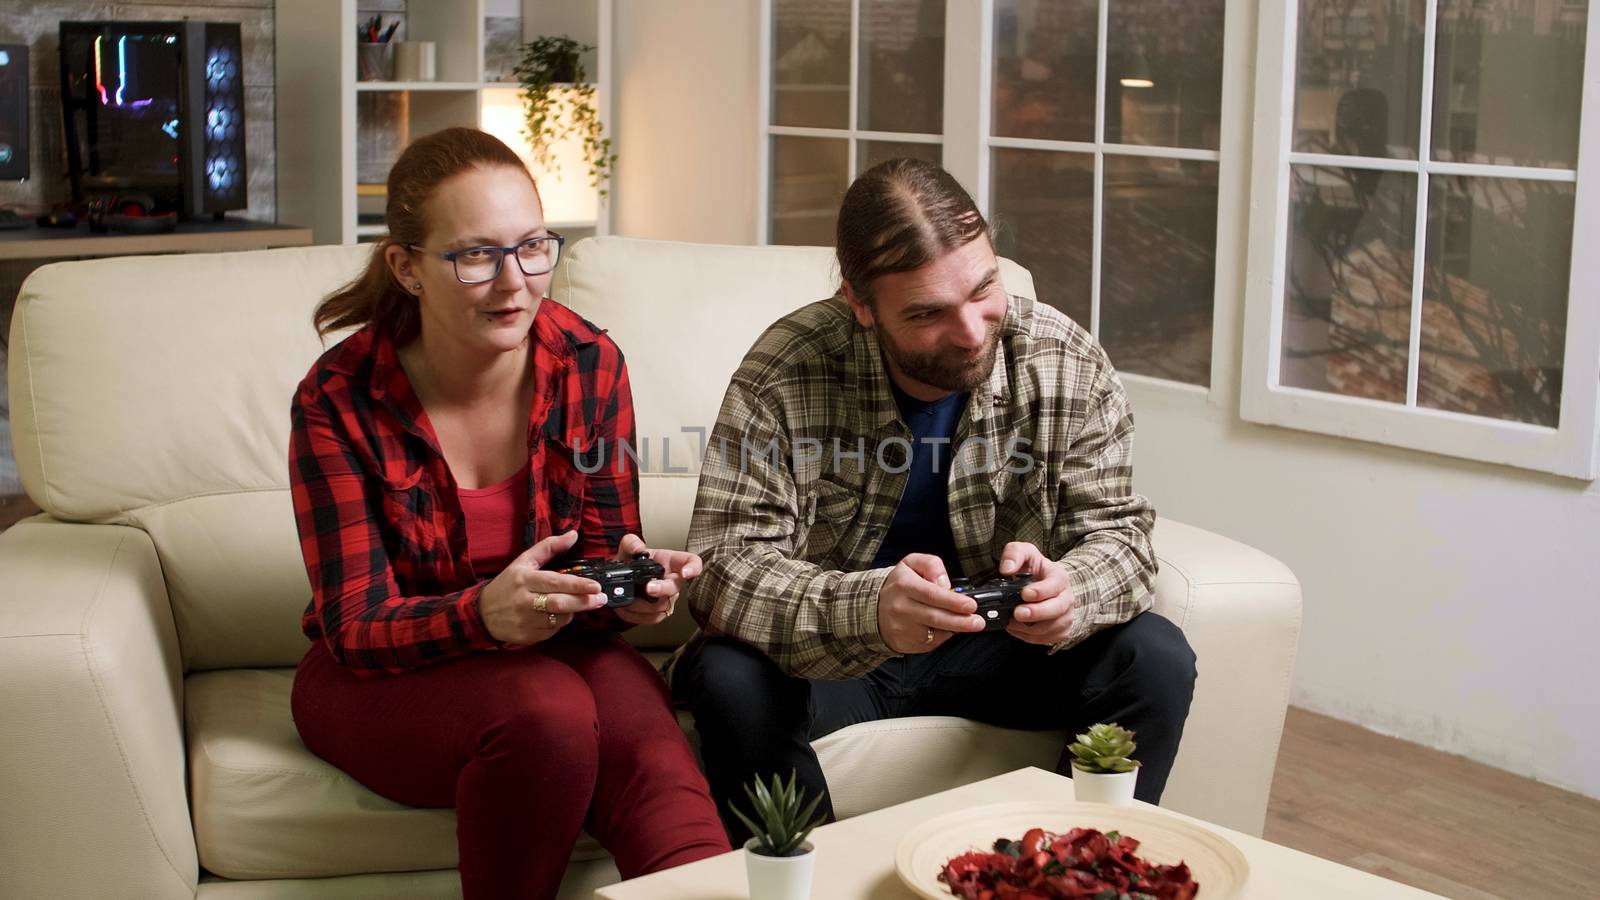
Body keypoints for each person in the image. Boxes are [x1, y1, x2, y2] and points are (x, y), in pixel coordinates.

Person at [671, 158, 1197, 842]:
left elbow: (1122, 538)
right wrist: (869, 609)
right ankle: (812, 887)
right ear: (860, 305)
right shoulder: (787, 368)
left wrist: (1074, 590)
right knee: (726, 675)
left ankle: (1065, 878)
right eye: (928, 313)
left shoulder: (1061, 358)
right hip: (838, 662)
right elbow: (724, 570)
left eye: (985, 289)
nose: (973, 331)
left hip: (999, 649)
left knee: (1154, 657)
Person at [287, 127, 729, 899]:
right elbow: (355, 624)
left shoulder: (592, 363)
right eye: (476, 255)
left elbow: (596, 555)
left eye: (532, 247)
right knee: (547, 712)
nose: (514, 281)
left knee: (656, 759)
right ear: (407, 268)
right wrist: (482, 618)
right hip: (380, 671)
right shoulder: (338, 398)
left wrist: (627, 585)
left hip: (553, 646)